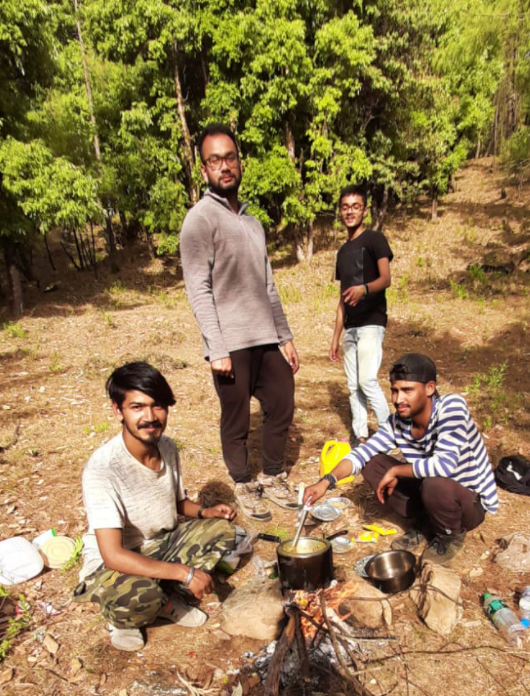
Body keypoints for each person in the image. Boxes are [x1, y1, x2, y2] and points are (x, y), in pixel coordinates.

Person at [180, 123, 300, 521]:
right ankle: (243, 483)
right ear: (203, 170)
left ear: (239, 162)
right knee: (236, 418)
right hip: (230, 342)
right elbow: (198, 288)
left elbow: (267, 284)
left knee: (281, 401)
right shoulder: (199, 220)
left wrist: (285, 335)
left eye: (229, 158)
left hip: (266, 337)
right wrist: (215, 347)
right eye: (214, 160)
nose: (224, 167)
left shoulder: (252, 223)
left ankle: (272, 474)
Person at [74, 362, 237, 652]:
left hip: (158, 545)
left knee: (222, 531)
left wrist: (204, 512)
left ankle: (165, 596)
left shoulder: (168, 447)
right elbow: (112, 555)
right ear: (117, 410)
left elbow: (175, 502)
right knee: (141, 595)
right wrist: (184, 573)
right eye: (137, 407)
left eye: (158, 406)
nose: (150, 417)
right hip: (114, 564)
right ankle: (124, 617)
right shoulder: (103, 469)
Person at [304, 354, 499, 565]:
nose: (398, 399)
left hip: (467, 504)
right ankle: (424, 524)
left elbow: (444, 465)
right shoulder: (398, 422)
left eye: (407, 390)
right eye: (394, 390)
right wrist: (326, 481)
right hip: (430, 491)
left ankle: (449, 536)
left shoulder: (452, 408)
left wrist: (397, 471)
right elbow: (362, 453)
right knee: (372, 463)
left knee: (435, 484)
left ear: (430, 388)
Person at [329, 185, 393, 446]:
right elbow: (342, 299)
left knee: (367, 381)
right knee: (353, 385)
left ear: (365, 210)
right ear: (340, 212)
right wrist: (336, 337)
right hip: (351, 329)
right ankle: (361, 436)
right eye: (345, 207)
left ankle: (390, 433)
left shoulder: (375, 240)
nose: (350, 212)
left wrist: (364, 289)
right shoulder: (342, 252)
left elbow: (386, 279)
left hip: (371, 324)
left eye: (356, 206)